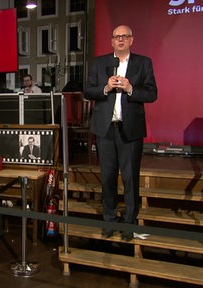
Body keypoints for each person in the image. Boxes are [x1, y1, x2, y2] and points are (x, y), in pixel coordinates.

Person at [84, 25, 157, 241]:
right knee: (107, 177)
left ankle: (129, 223)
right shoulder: (99, 63)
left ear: (132, 40)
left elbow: (152, 93)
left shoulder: (143, 63)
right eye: (117, 37)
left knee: (130, 178)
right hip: (105, 130)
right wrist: (105, 88)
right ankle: (109, 220)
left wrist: (130, 88)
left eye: (125, 36)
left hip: (130, 130)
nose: (121, 40)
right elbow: (88, 90)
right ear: (112, 41)